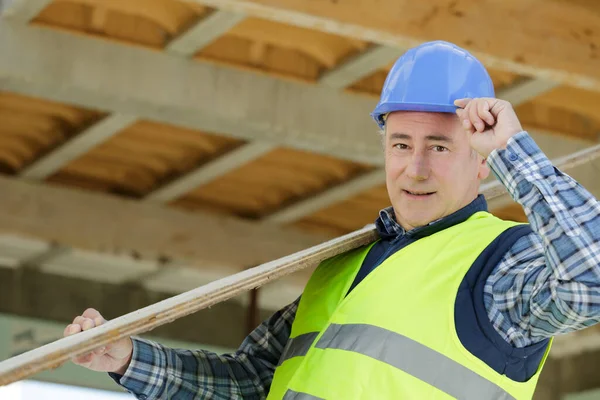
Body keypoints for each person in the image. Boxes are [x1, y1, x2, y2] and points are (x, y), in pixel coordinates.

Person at [64, 41, 600, 400]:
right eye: (401, 144)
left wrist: (514, 150)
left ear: (482, 158)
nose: (415, 168)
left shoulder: (500, 269)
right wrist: (127, 357)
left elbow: (592, 281)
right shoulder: (343, 268)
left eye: (439, 145)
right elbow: (251, 384)